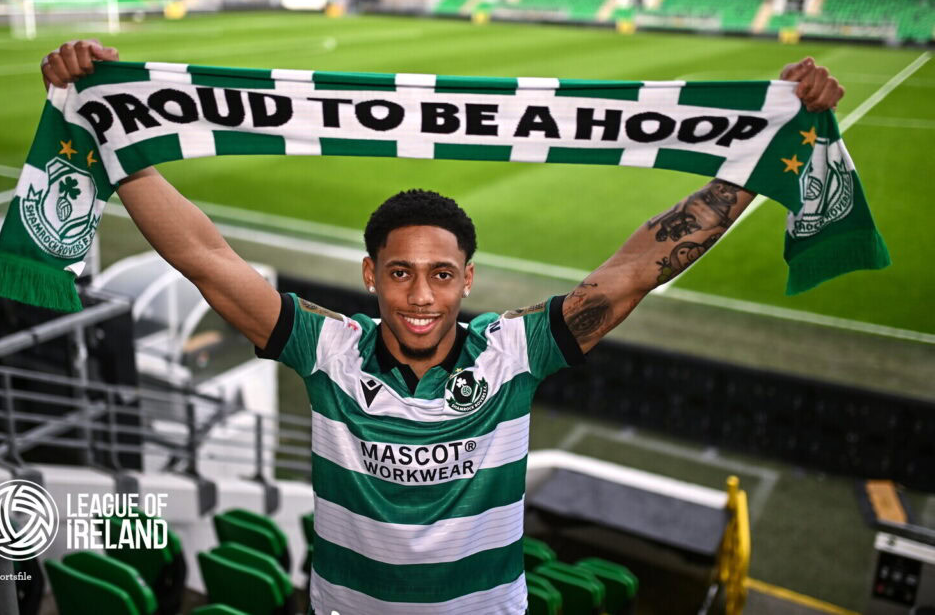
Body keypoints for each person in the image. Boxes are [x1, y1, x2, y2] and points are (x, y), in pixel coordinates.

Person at [43, 41, 844, 614]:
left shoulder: (512, 352)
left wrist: (756, 158)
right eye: (399, 272)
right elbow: (205, 256)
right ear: (370, 277)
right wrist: (120, 146)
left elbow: (637, 266)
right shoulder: (326, 348)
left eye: (439, 274)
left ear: (468, 279)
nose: (419, 296)